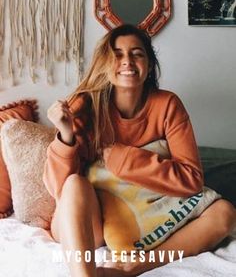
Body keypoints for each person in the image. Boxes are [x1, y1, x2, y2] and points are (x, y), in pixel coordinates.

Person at [44, 24, 236, 277]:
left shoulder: (167, 105)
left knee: (225, 213)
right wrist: (65, 134)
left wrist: (124, 159)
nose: (127, 61)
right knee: (74, 184)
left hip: (149, 215)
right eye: (118, 54)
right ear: (104, 63)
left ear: (149, 65)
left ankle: (136, 266)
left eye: (137, 53)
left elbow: (192, 179)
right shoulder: (85, 106)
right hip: (92, 226)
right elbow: (61, 190)